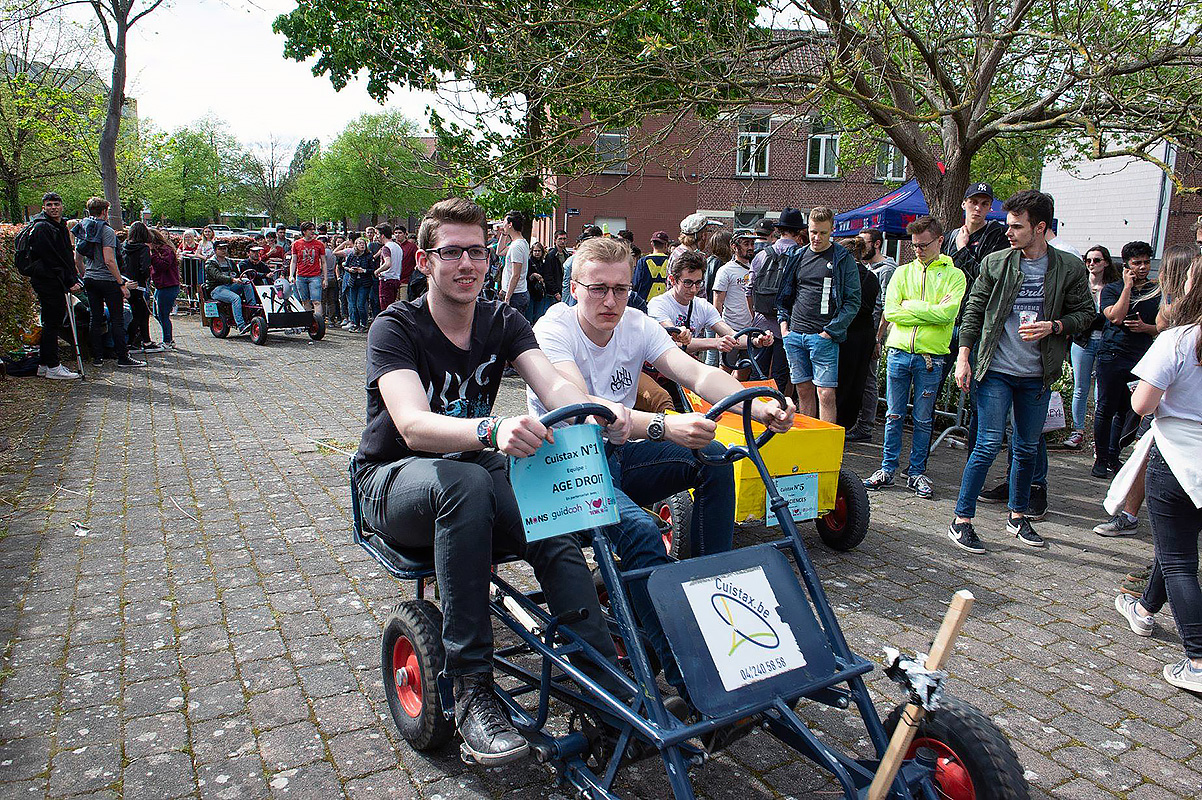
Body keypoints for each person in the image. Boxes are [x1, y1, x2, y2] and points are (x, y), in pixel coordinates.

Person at [355, 197, 633, 764]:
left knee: (548, 505)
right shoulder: (395, 327)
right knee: (468, 486)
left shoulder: (502, 321)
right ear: (425, 260)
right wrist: (491, 428)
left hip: (470, 471)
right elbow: (412, 424)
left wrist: (594, 408)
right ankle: (471, 689)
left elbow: (551, 385)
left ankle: (603, 679)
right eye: (451, 252)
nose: (467, 264)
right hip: (392, 479)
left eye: (478, 252)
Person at [530, 235, 794, 699]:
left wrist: (759, 407)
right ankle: (687, 677)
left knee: (715, 460)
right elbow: (577, 404)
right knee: (642, 532)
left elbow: (696, 373)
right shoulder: (553, 328)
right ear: (573, 288)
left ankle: (711, 596)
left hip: (615, 455)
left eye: (620, 289)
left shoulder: (636, 323)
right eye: (597, 289)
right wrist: (663, 426)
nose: (610, 301)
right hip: (561, 466)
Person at [949, 190, 1094, 553]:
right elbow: (973, 311)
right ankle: (961, 520)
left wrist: (1055, 326)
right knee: (986, 445)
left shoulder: (1069, 267)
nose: (1008, 232)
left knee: (1027, 448)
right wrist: (964, 357)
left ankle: (1017, 516)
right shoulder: (996, 262)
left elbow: (1086, 314)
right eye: (1008, 225)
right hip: (995, 369)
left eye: (1017, 226)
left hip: (1037, 374)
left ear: (1040, 228)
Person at [1111, 252, 1202, 693]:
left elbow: (1142, 404)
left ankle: (1198, 658)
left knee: (1180, 559)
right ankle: (1145, 609)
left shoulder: (1178, 340)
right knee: (1176, 546)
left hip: (1177, 456)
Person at [864, 217, 966, 499]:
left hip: (930, 356)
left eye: (924, 245)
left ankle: (916, 471)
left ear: (940, 241)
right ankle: (887, 468)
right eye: (915, 245)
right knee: (893, 415)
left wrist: (910, 306)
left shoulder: (954, 275)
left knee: (922, 418)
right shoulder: (902, 272)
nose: (918, 250)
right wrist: (929, 309)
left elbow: (948, 314)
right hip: (899, 351)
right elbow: (891, 311)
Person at [776, 205, 862, 423]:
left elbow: (853, 301)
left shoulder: (842, 258)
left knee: (825, 393)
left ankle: (825, 441)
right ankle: (808, 439)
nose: (817, 237)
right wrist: (784, 326)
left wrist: (830, 332)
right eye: (813, 232)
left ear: (832, 230)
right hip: (795, 333)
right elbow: (785, 293)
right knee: (803, 391)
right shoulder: (797, 255)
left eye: (823, 233)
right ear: (808, 229)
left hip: (823, 336)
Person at [1092, 241, 1161, 477]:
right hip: (1112, 355)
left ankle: (1114, 455)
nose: (1142, 267)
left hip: (1140, 357)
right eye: (1137, 263)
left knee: (1129, 409)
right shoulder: (1112, 289)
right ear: (1126, 265)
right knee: (1106, 408)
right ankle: (1100, 459)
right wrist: (1128, 287)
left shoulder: (1155, 291)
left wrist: (1146, 328)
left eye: (1146, 262)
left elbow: (1162, 325)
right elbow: (1115, 317)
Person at [647, 250, 773, 362]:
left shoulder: (702, 306)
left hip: (683, 365)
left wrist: (756, 341)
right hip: (658, 366)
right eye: (688, 283)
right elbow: (672, 342)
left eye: (698, 283)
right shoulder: (658, 304)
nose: (693, 289)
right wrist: (715, 342)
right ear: (673, 280)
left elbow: (731, 335)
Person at [75, 197, 144, 368]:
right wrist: (121, 283)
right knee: (117, 318)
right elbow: (109, 260)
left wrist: (86, 275)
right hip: (107, 280)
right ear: (105, 212)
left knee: (95, 318)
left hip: (90, 279)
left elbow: (77, 259)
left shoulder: (83, 228)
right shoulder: (106, 231)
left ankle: (97, 358)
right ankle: (122, 357)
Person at [1064, 246, 1121, 450]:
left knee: (1101, 390)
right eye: (1088, 260)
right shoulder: (1081, 285)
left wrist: (1092, 319)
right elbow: (1075, 314)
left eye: (1096, 260)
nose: (1091, 264)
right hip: (1083, 342)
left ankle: (1099, 436)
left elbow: (1113, 317)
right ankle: (1077, 431)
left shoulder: (1113, 288)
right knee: (1080, 388)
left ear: (1106, 262)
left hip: (1106, 342)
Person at [846, 228, 899, 441]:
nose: (859, 246)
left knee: (868, 378)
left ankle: (866, 425)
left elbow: (886, 307)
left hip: (871, 332)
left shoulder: (885, 271)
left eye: (864, 242)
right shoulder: (868, 269)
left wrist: (878, 338)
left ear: (876, 244)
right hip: (864, 331)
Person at [749, 208, 808, 395]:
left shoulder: (762, 255)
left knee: (757, 371)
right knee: (780, 374)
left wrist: (755, 314)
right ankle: (776, 406)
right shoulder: (802, 256)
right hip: (788, 325)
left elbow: (749, 289)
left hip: (761, 322)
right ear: (798, 233)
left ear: (778, 231)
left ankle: (754, 406)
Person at [24, 192, 82, 379]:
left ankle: (44, 364)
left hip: (52, 279)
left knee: (51, 321)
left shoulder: (57, 225)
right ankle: (53, 366)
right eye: (49, 205)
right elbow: (52, 258)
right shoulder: (43, 228)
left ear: (62, 206)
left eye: (56, 204)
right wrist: (69, 281)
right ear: (44, 207)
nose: (53, 208)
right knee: (52, 323)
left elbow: (64, 255)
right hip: (49, 280)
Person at [832, 237, 881, 431]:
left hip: (845, 331)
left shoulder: (843, 275)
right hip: (865, 334)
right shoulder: (872, 278)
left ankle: (834, 423)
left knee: (838, 380)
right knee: (858, 381)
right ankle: (848, 423)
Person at [712, 228, 770, 378]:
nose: (750, 247)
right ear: (734, 246)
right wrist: (719, 330)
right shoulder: (725, 270)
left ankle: (735, 391)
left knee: (745, 369)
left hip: (752, 331)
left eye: (752, 243)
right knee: (724, 370)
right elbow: (717, 303)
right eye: (746, 244)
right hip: (731, 329)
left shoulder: (757, 267)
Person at [121, 221, 162, 353]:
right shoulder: (143, 248)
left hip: (127, 283)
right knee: (141, 314)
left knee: (138, 313)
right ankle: (133, 342)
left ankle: (144, 341)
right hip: (138, 284)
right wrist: (144, 277)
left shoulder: (124, 246)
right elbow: (144, 268)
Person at [206, 240, 255, 333]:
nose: (223, 251)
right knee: (235, 298)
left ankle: (252, 309)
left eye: (224, 248)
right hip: (216, 289)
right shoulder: (210, 263)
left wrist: (241, 277)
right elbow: (217, 276)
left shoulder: (230, 261)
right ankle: (241, 325)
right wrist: (233, 280)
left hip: (230, 286)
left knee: (246, 281)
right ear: (215, 250)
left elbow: (236, 273)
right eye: (220, 249)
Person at [149, 228, 181, 349]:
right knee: (157, 314)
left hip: (169, 285)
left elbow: (163, 265)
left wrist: (152, 255)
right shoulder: (161, 250)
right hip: (161, 285)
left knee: (163, 314)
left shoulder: (166, 250)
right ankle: (168, 339)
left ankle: (168, 340)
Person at [290, 222, 327, 317]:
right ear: (304, 231)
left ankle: (318, 322)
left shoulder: (319, 244)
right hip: (301, 276)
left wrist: (325, 278)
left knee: (316, 301)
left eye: (313, 229)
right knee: (305, 301)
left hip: (315, 276)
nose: (313, 231)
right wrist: (291, 275)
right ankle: (309, 321)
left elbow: (323, 262)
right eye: (310, 229)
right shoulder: (296, 244)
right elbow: (293, 261)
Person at [500, 211, 530, 316]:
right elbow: (500, 251)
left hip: (515, 295)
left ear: (510, 224)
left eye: (504, 222)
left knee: (512, 325)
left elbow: (515, 275)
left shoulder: (516, 246)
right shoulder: (520, 243)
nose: (503, 225)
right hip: (517, 293)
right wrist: (503, 234)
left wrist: (507, 298)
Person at [341, 237, 374, 332]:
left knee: (360, 305)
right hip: (353, 282)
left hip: (364, 283)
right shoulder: (352, 255)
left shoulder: (369, 256)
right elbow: (345, 266)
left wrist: (364, 270)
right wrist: (350, 270)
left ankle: (364, 324)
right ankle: (355, 323)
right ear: (356, 245)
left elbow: (373, 269)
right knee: (353, 305)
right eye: (360, 243)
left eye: (363, 243)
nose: (362, 245)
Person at [632, 230, 672, 301]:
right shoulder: (670, 261)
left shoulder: (643, 261)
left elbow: (636, 283)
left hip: (645, 301)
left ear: (652, 244)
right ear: (666, 245)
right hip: (666, 301)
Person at [374, 223, 405, 309]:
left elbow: (388, 263)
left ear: (382, 235)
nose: (376, 237)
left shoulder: (386, 248)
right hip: (396, 280)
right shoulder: (398, 247)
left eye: (377, 234)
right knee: (393, 307)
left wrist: (377, 271)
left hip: (386, 280)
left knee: (386, 308)